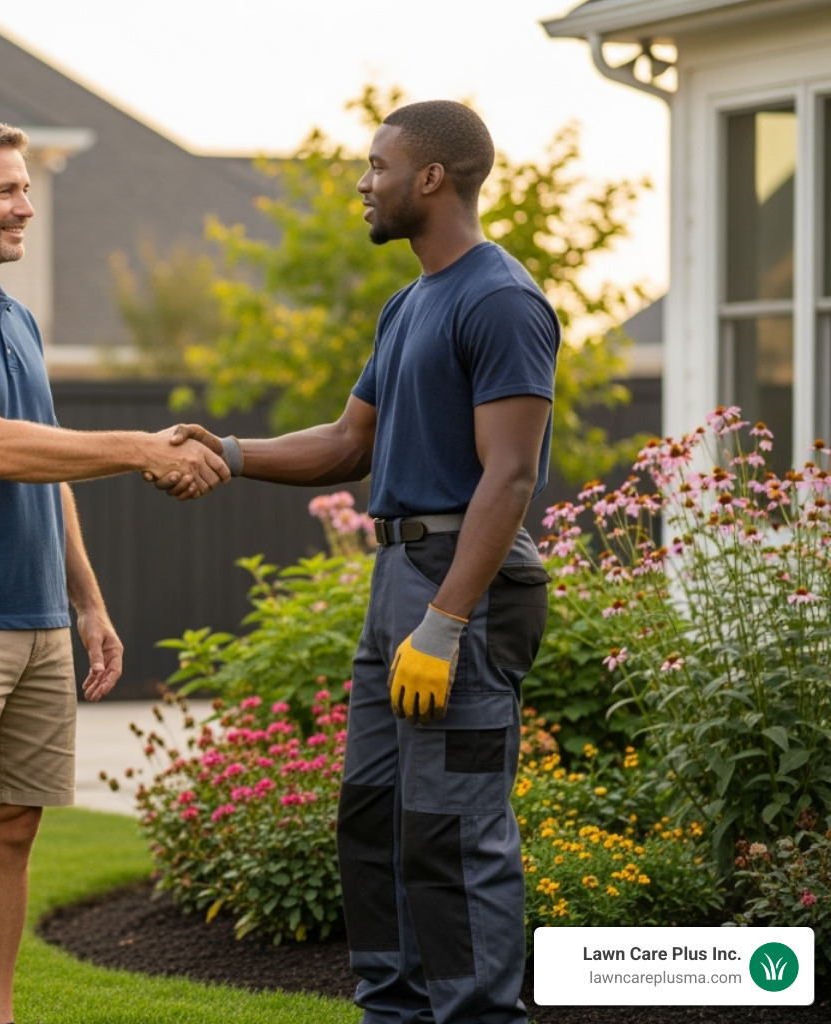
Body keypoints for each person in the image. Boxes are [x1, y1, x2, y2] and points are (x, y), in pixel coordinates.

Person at [161, 101, 560, 1024]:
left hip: (464, 587)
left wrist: (448, 621)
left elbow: (508, 478)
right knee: (377, 821)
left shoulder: (500, 300)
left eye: (377, 166)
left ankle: (478, 1015)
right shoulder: (410, 302)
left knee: (453, 831)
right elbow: (350, 443)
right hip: (398, 583)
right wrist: (228, 450)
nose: (361, 183)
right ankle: (393, 1007)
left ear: (431, 178)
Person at [0, 120, 229, 1024]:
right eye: (7, 190)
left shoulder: (17, 320)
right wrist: (144, 447)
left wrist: (88, 603)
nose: (27, 205)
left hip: (35, 615)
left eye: (27, 187)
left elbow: (50, 467)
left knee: (14, 827)